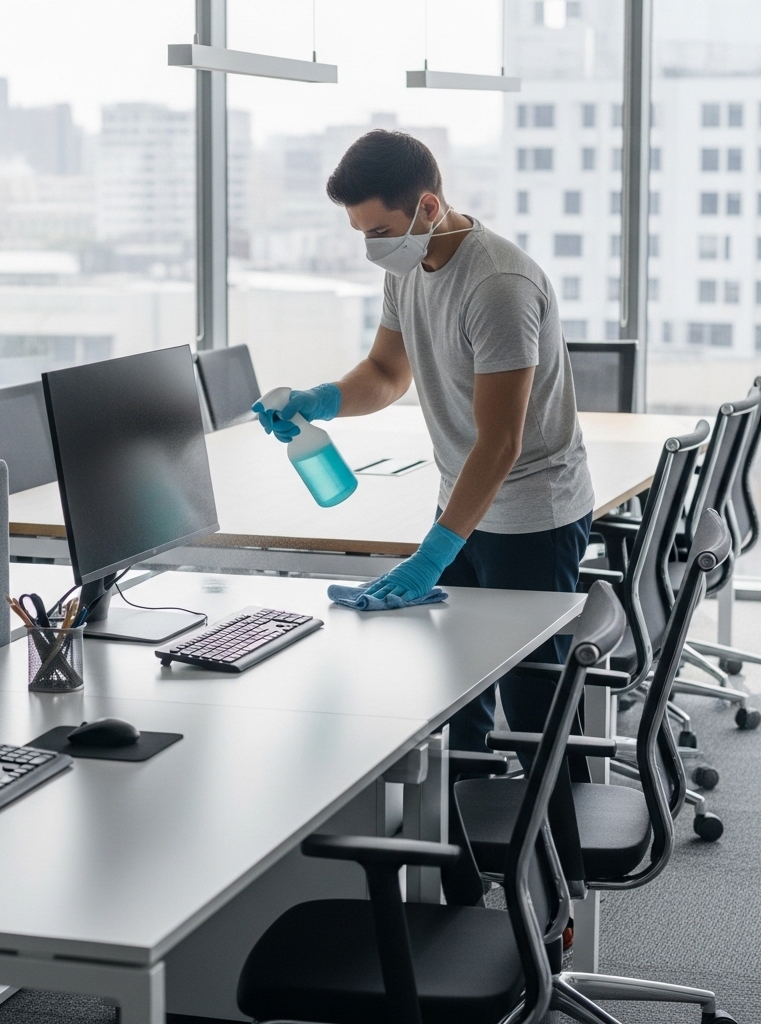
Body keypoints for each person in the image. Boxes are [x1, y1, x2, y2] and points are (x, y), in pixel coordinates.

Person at [253, 130, 594, 751]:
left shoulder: (498, 286)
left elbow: (500, 443)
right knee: (457, 694)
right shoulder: (407, 268)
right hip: (460, 502)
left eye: (378, 232)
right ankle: (471, 837)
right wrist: (321, 400)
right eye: (360, 233)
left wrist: (434, 553)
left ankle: (562, 844)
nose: (370, 249)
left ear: (428, 208)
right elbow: (386, 374)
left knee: (533, 705)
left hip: (530, 516)